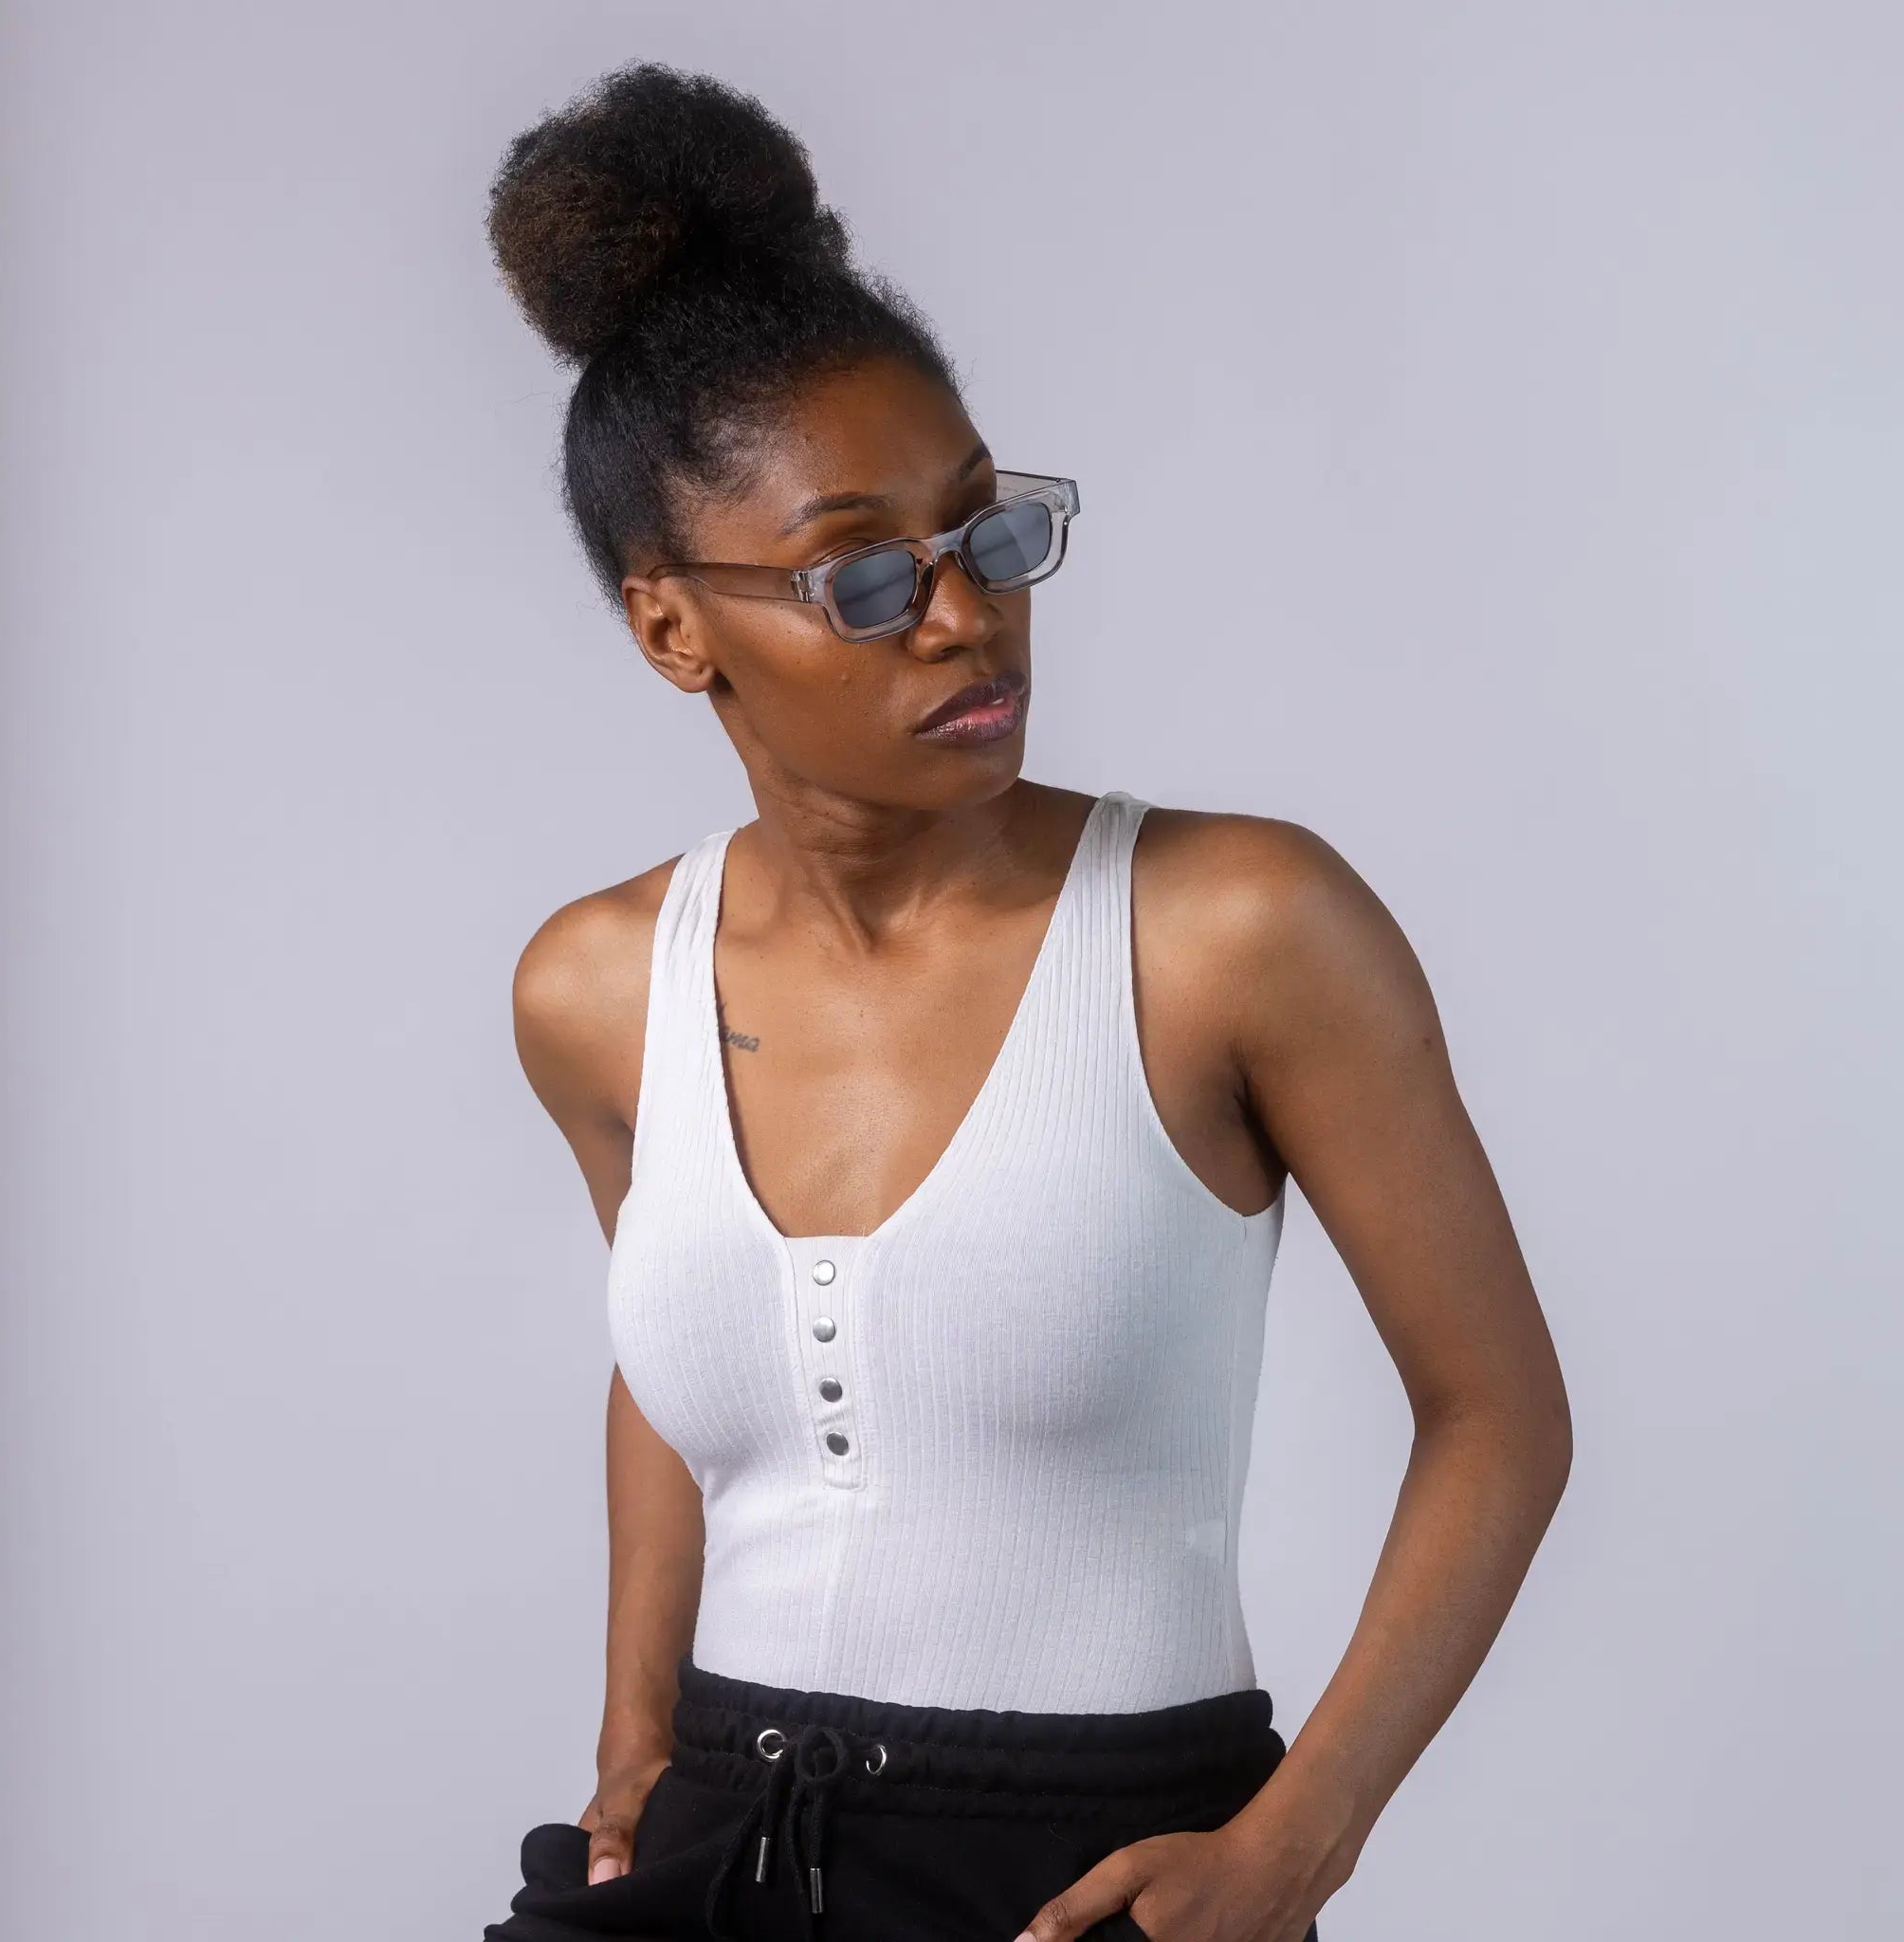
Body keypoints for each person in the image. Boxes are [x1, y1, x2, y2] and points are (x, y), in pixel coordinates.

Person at [480, 59, 1570, 1942]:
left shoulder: (1235, 926)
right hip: (712, 1852)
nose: (966, 614)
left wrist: (1290, 1846)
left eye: (984, 533)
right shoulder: (593, 985)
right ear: (672, 626)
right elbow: (677, 1375)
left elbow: (1497, 1416)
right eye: (864, 574)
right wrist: (634, 1729)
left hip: (1098, 1871)